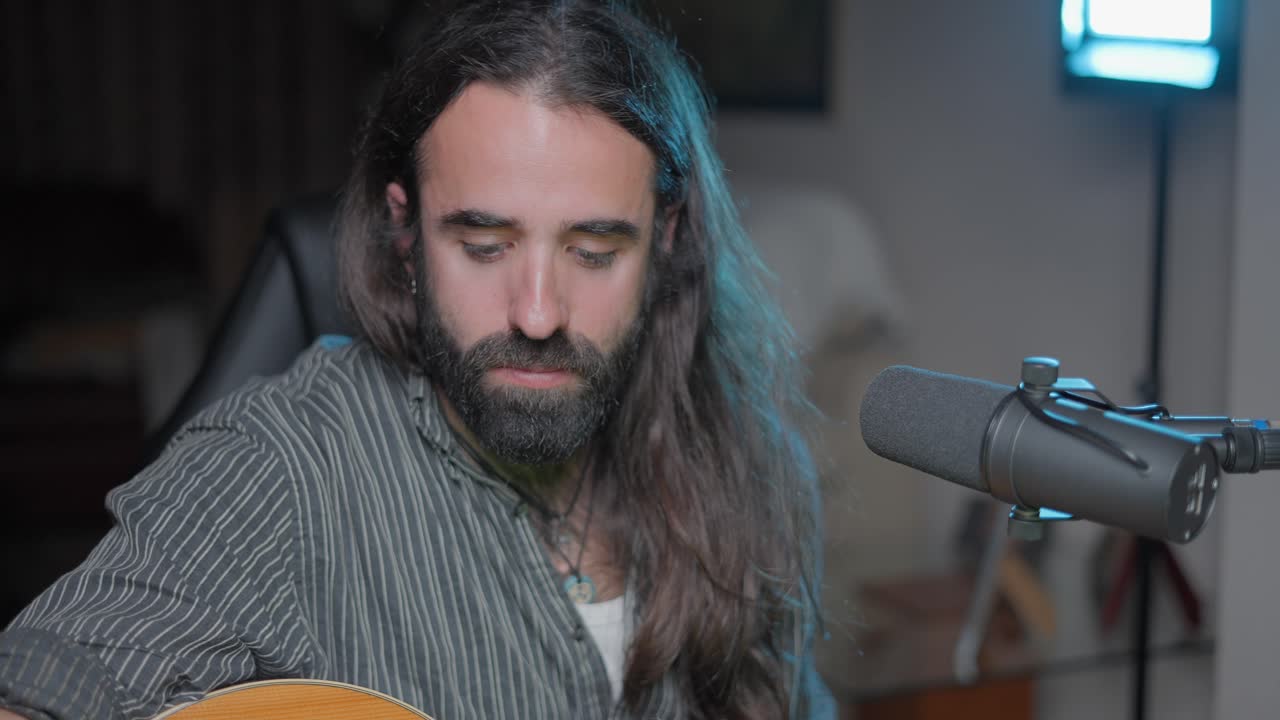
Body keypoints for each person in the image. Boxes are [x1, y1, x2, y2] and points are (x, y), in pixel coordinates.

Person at [0, 1, 835, 718]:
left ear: (667, 239)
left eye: (591, 251)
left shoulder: (744, 472)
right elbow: (58, 676)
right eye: (482, 244)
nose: (536, 313)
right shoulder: (284, 464)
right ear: (405, 234)